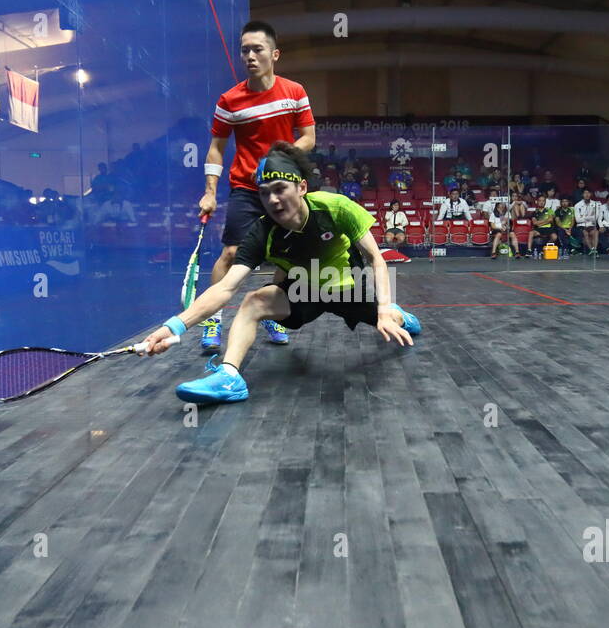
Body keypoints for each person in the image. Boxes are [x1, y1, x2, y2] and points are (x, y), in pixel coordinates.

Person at [141, 143, 421, 404]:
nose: (272, 200)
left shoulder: (336, 207)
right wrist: (173, 326)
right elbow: (226, 287)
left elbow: (376, 258)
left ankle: (400, 314)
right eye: (264, 193)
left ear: (301, 187)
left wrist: (384, 308)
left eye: (279, 189)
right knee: (253, 301)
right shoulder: (262, 232)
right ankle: (229, 378)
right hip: (303, 294)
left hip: (347, 288)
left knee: (392, 319)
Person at [199, 20, 316, 353]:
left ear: (275, 54)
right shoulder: (230, 100)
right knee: (232, 253)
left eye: (257, 49)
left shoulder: (294, 92)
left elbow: (308, 138)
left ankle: (267, 313)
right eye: (244, 50)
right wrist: (210, 191)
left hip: (284, 187)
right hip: (246, 188)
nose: (250, 55)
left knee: (283, 257)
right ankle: (212, 320)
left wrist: (278, 160)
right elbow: (216, 149)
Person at [573, 188, 601, 256]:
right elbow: (578, 220)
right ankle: (592, 250)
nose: (587, 194)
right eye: (585, 193)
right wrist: (590, 217)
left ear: (591, 194)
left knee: (595, 232)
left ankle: (594, 250)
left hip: (591, 225)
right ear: (582, 195)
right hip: (581, 226)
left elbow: (595, 218)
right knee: (585, 233)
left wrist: (584, 217)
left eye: (588, 193)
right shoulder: (577, 205)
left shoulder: (595, 204)